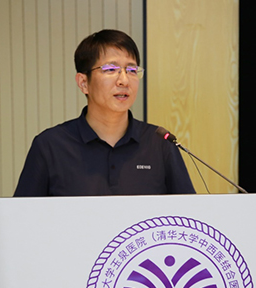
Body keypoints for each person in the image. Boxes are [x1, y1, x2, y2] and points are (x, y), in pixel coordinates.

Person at [14, 29, 195, 196]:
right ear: (83, 83)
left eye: (132, 70)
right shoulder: (50, 146)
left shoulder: (160, 144)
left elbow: (189, 213)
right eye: (111, 69)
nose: (124, 80)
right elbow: (21, 215)